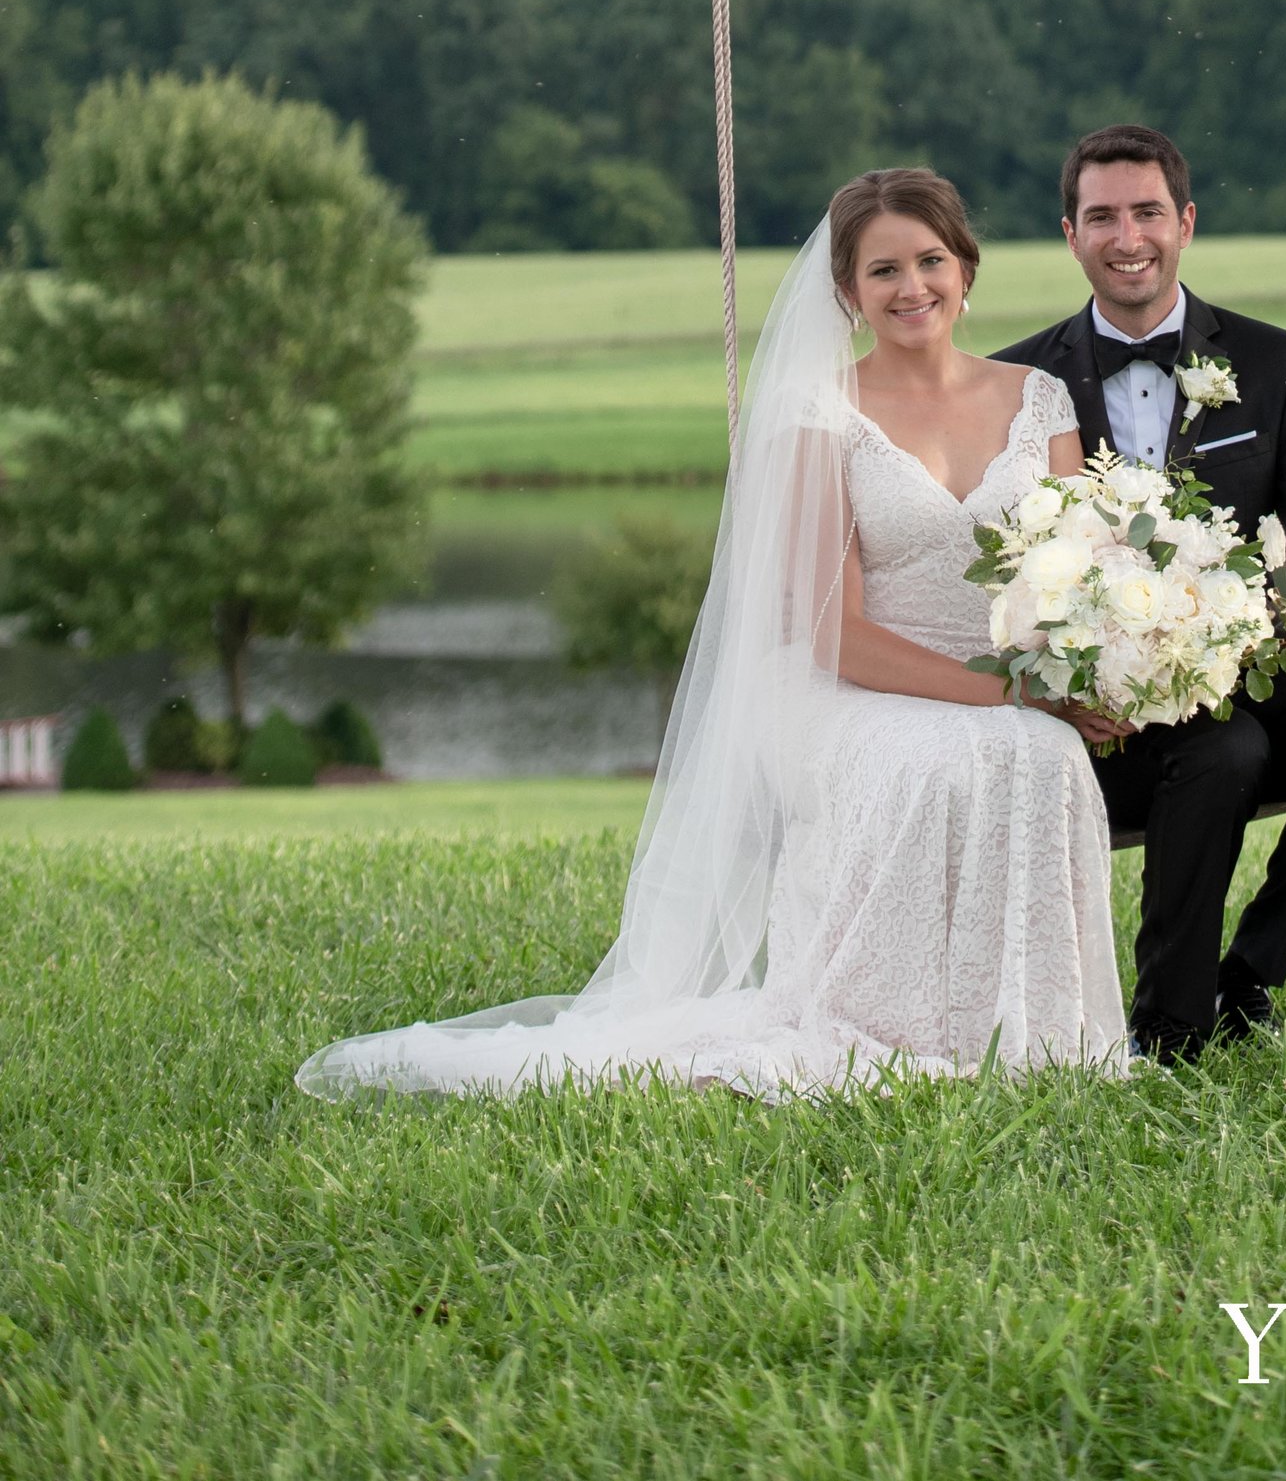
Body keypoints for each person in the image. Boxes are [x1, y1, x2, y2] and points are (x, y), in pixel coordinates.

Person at [297, 168, 1127, 1095]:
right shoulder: (825, 411)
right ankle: (879, 1026)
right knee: (936, 762)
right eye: (882, 269)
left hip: (999, 676)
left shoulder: (1040, 400)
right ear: (848, 293)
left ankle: (1032, 1031)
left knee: (1042, 756)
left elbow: (1073, 576)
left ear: (966, 268)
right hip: (846, 681)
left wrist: (1085, 670)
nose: (912, 286)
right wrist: (1006, 691)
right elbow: (830, 632)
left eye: (931, 259)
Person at [1000, 122, 1286, 1061]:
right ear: (1069, 234)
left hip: (1243, 657)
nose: (1127, 236)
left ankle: (1250, 977)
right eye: (1101, 215)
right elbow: (1004, 565)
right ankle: (1170, 1024)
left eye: (1147, 210)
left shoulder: (1274, 366)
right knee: (1224, 750)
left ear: (1185, 221)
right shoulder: (1017, 381)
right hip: (1093, 699)